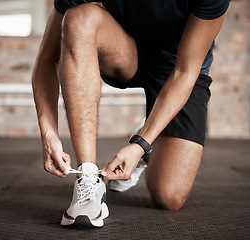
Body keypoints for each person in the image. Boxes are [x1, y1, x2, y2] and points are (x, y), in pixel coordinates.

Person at [32, 0, 230, 228]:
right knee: (80, 18)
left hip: (179, 65)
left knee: (169, 196)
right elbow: (47, 59)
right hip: (125, 48)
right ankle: (88, 177)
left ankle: (149, 138)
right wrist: (48, 134)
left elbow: (185, 71)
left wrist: (141, 144)